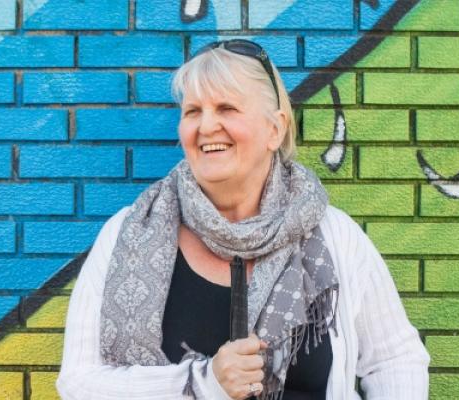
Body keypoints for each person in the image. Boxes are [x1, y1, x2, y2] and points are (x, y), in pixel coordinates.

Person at [56, 39, 429, 399]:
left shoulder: (333, 237)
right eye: (192, 112)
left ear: (274, 129)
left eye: (227, 109)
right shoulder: (129, 234)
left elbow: (394, 358)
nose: (205, 127)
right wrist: (201, 384)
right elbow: (79, 381)